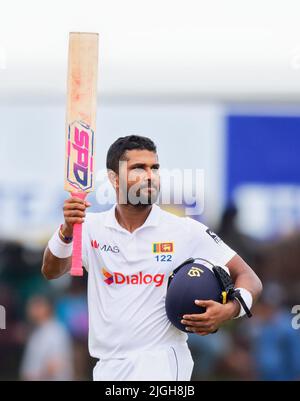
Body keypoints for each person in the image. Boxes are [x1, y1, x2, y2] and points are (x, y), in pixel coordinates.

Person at [42, 135, 262, 381]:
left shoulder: (185, 229)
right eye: (138, 168)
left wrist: (230, 309)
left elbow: (249, 277)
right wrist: (66, 232)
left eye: (154, 168)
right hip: (107, 366)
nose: (150, 176)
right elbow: (51, 270)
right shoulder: (90, 226)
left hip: (161, 363)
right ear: (114, 178)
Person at [20, 295, 73, 381]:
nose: (30, 309)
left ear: (46, 308)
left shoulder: (56, 331)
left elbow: (58, 364)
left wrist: (36, 375)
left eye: (36, 306)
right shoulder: (37, 331)